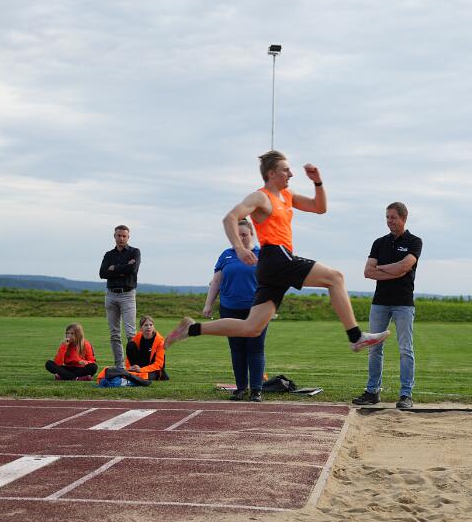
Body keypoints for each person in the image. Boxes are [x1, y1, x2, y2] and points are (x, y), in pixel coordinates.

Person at [165, 150, 389, 356]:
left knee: (251, 327)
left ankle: (192, 329)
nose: (291, 174)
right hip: (276, 256)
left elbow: (320, 208)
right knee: (335, 277)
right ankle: (355, 337)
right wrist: (240, 249)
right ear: (271, 173)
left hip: (273, 265)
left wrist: (317, 181)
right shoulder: (261, 197)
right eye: (286, 170)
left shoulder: (287, 195)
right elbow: (230, 218)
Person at [353, 202, 423, 409]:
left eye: (393, 217)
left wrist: (381, 269)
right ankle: (372, 392)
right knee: (374, 347)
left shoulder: (414, 241)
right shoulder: (379, 243)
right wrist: (395, 270)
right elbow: (368, 272)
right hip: (380, 303)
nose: (389, 221)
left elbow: (405, 266)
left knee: (405, 349)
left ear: (404, 218)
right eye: (387, 217)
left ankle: (406, 395)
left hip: (403, 303)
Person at [202, 219, 267, 402]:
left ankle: (256, 390)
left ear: (251, 234)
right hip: (230, 309)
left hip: (256, 309)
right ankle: (240, 388)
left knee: (255, 348)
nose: (240, 238)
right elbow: (216, 281)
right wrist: (208, 304)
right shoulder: (226, 255)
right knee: (237, 349)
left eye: (244, 235)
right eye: (237, 235)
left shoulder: (262, 254)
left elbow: (273, 281)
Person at [99, 225, 140, 368]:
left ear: (128, 237)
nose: (121, 238)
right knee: (114, 334)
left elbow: (133, 269)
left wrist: (114, 268)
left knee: (131, 333)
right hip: (111, 295)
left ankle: (133, 365)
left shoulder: (135, 252)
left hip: (127, 295)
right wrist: (123, 268)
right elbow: (102, 273)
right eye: (119, 236)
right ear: (114, 236)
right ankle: (119, 366)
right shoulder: (109, 255)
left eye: (124, 236)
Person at [117, 315, 168, 382]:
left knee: (145, 377)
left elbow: (158, 364)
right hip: (140, 366)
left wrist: (141, 370)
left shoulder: (160, 341)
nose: (149, 327)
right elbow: (129, 356)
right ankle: (133, 371)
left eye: (151, 325)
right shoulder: (138, 337)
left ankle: (136, 374)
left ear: (153, 327)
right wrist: (130, 368)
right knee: (130, 345)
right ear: (141, 328)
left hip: (154, 369)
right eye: (146, 325)